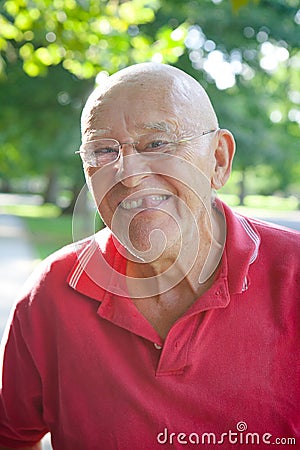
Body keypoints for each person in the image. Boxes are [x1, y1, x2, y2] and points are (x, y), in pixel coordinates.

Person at [0, 62, 299, 450]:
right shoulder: (52, 292)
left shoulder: (292, 278)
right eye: (103, 150)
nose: (128, 175)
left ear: (219, 160)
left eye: (157, 144)